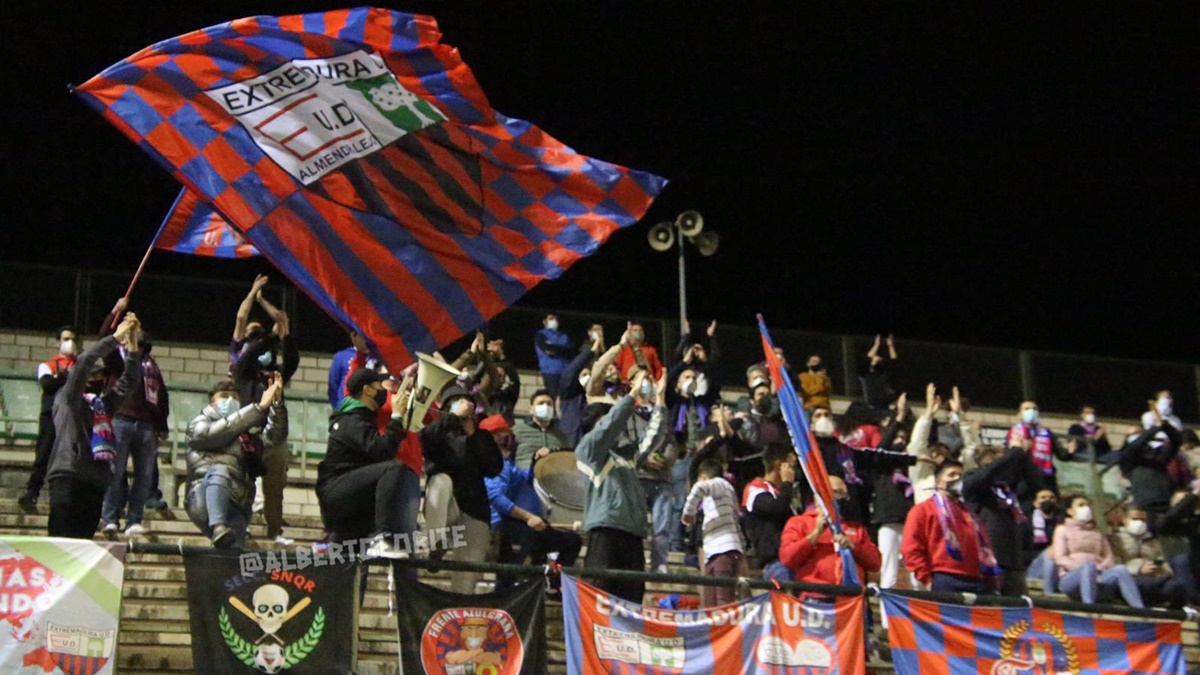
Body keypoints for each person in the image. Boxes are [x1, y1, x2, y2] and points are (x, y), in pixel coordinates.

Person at [45, 314, 143, 538]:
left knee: (83, 547)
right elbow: (84, 361)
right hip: (68, 475)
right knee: (60, 543)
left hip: (94, 482)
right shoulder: (67, 398)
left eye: (99, 375)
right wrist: (115, 338)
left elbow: (130, 381)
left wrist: (133, 344)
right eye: (91, 375)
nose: (95, 378)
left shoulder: (102, 406)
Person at [576, 368, 668, 604]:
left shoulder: (627, 456)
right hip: (606, 528)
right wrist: (632, 395)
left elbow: (653, 436)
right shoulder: (589, 450)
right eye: (608, 420)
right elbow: (609, 426)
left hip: (633, 531)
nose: (619, 428)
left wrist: (660, 400)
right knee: (599, 589)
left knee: (632, 594)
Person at [318, 369, 419, 557]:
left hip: (351, 502)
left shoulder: (361, 418)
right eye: (380, 387)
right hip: (336, 491)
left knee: (348, 563)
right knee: (394, 468)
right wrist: (396, 417)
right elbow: (381, 451)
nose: (384, 392)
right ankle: (384, 537)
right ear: (368, 390)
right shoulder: (351, 420)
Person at [229, 275, 299, 546]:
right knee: (243, 483)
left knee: (275, 488)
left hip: (274, 434)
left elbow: (289, 350)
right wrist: (253, 292)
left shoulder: (273, 372)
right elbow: (241, 321)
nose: (256, 336)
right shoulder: (242, 368)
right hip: (249, 433)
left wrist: (281, 328)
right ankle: (241, 525)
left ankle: (275, 531)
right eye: (252, 333)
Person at [483, 414, 582, 592]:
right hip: (509, 527)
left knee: (571, 542)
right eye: (503, 433)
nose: (508, 437)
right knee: (508, 576)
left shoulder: (506, 463)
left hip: (524, 526)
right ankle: (502, 610)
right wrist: (528, 517)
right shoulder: (493, 464)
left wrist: (536, 461)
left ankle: (552, 585)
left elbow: (524, 480)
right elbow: (496, 497)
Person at [185, 374, 286, 548]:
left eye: (234, 397)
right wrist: (259, 407)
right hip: (204, 498)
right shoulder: (199, 424)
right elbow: (222, 431)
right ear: (211, 403)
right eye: (224, 396)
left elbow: (273, 439)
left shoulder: (247, 432)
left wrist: (276, 405)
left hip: (238, 503)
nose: (230, 400)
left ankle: (223, 540)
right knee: (220, 470)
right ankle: (218, 526)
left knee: (232, 555)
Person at [420, 385, 504, 594]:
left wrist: (473, 436)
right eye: (456, 402)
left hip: (474, 509)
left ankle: (458, 613)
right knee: (441, 480)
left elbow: (494, 468)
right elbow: (424, 442)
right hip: (446, 507)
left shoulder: (481, 436)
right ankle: (435, 544)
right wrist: (450, 420)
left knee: (466, 581)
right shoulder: (438, 431)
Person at [98, 299, 170, 538]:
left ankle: (134, 520)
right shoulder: (118, 360)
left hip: (147, 425)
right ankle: (109, 518)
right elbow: (103, 341)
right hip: (120, 419)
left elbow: (161, 395)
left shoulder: (151, 365)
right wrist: (115, 312)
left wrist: (162, 424)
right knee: (114, 472)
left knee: (144, 475)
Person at [901, 460, 1000, 594]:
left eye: (960, 475)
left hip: (977, 579)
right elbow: (911, 548)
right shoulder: (923, 510)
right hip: (945, 578)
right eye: (951, 475)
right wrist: (927, 579)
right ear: (939, 483)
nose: (957, 479)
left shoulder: (970, 513)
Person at [963, 445, 1044, 595]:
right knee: (991, 608)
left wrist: (1023, 455)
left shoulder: (1009, 488)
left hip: (1014, 561)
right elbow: (988, 473)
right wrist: (1013, 452)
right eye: (1002, 459)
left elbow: (1037, 484)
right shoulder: (973, 480)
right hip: (989, 560)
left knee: (1018, 612)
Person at [779, 476, 881, 587]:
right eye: (838, 492)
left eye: (845, 494)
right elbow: (787, 558)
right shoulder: (799, 522)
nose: (845, 498)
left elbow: (875, 563)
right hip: (816, 594)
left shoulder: (856, 528)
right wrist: (816, 533)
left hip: (851, 598)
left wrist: (854, 547)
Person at [19, 325, 79, 512]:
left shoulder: (79, 364)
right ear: (57, 342)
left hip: (72, 417)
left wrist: (62, 378)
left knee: (72, 458)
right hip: (50, 416)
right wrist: (70, 379)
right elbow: (47, 384)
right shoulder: (48, 365)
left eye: (73, 339)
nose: (70, 343)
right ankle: (32, 492)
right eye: (66, 339)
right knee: (43, 455)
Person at [1050, 494, 1143, 607]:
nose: (1087, 508)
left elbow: (1109, 556)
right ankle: (1090, 608)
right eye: (1081, 505)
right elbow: (1060, 558)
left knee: (1121, 569)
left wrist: (1100, 569)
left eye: (1088, 505)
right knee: (1088, 567)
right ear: (1070, 511)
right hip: (1071, 577)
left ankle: (1139, 608)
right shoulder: (1062, 529)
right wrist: (1086, 568)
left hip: (1098, 574)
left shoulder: (1096, 532)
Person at [630, 371, 677, 574]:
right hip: (638, 477)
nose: (647, 385)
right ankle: (637, 560)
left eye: (650, 381)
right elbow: (626, 443)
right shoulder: (628, 413)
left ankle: (659, 563)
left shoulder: (662, 412)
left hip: (662, 478)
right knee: (636, 523)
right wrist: (643, 459)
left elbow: (672, 443)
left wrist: (665, 460)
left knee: (663, 524)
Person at [681, 459, 745, 607]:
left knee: (722, 603)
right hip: (716, 553)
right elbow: (736, 522)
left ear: (703, 476)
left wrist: (688, 514)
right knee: (711, 605)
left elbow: (698, 488)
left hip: (723, 551)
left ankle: (724, 630)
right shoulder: (729, 493)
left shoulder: (719, 484)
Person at [1111, 508, 1192, 608]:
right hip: (1132, 579)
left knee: (1178, 586)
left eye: (1143, 520)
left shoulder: (1152, 540)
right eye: (1135, 519)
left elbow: (1163, 560)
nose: (1140, 523)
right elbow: (1114, 565)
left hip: (1156, 578)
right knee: (1146, 585)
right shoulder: (1116, 539)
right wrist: (1139, 570)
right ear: (1124, 519)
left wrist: (1162, 569)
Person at [743, 444, 799, 583]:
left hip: (795, 560)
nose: (794, 471)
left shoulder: (783, 493)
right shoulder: (755, 490)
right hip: (777, 563)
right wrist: (787, 483)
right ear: (778, 464)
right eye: (791, 466)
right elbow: (776, 509)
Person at [1120, 410, 1183, 516]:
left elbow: (1176, 441)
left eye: (1137, 433)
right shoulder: (1129, 460)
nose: (1134, 437)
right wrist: (1154, 428)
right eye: (1130, 435)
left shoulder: (1158, 457)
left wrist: (1164, 426)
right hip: (1144, 506)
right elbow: (1135, 446)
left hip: (1164, 502)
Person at [1006, 400, 1077, 493]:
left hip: (1045, 478)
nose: (1031, 411)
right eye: (1027, 409)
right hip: (1023, 480)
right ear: (1019, 414)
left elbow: (1061, 455)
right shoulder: (1013, 433)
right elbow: (1007, 457)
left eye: (1034, 409)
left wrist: (1070, 452)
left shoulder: (1047, 433)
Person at [512, 389, 572, 470]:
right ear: (531, 409)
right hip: (525, 477)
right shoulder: (517, 431)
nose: (545, 406)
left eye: (549, 404)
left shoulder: (561, 435)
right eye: (541, 403)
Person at [1024, 489, 1062, 588]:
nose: (1048, 500)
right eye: (1043, 497)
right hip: (1034, 566)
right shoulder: (1026, 523)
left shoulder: (1062, 523)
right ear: (1035, 503)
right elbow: (1020, 552)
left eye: (1051, 498)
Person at [327, 331, 374, 408]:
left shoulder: (376, 358)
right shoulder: (342, 357)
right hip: (345, 410)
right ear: (353, 336)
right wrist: (338, 407)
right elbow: (333, 386)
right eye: (362, 334)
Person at [534, 312, 572, 398]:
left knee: (566, 398)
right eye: (551, 318)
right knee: (554, 397)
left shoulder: (564, 335)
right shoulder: (541, 334)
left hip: (565, 371)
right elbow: (547, 349)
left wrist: (554, 348)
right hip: (550, 372)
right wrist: (559, 349)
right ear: (544, 322)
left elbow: (569, 350)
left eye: (555, 319)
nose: (554, 321)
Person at [484, 339, 521, 424]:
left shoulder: (507, 396)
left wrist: (501, 355)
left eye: (501, 376)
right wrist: (489, 357)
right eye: (495, 376)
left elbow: (514, 379)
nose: (498, 378)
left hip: (504, 430)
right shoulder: (482, 394)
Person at [860, 334, 898, 411]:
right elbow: (867, 358)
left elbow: (894, 362)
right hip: (872, 404)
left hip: (884, 403)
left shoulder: (884, 373)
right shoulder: (868, 373)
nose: (877, 359)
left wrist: (890, 346)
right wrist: (876, 344)